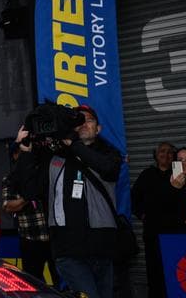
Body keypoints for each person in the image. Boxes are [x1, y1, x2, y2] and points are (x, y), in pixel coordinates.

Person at [35, 104, 123, 298]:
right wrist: (26, 151)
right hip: (68, 248)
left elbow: (108, 168)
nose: (83, 123)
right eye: (79, 120)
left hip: (102, 246)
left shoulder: (110, 154)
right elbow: (29, 189)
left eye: (88, 120)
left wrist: (74, 143)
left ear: (98, 129)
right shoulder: (55, 156)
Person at [3, 140, 53, 284]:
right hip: (30, 238)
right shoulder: (10, 179)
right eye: (19, 152)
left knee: (62, 282)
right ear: (14, 156)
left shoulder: (45, 172)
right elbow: (8, 206)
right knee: (33, 282)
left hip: (54, 237)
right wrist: (27, 196)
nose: (24, 155)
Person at [131, 141, 176, 298]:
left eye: (170, 152)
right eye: (162, 151)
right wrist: (141, 214)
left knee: (175, 265)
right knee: (154, 268)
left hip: (175, 230)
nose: (166, 154)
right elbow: (133, 198)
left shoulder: (178, 173)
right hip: (153, 230)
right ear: (156, 155)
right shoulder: (147, 174)